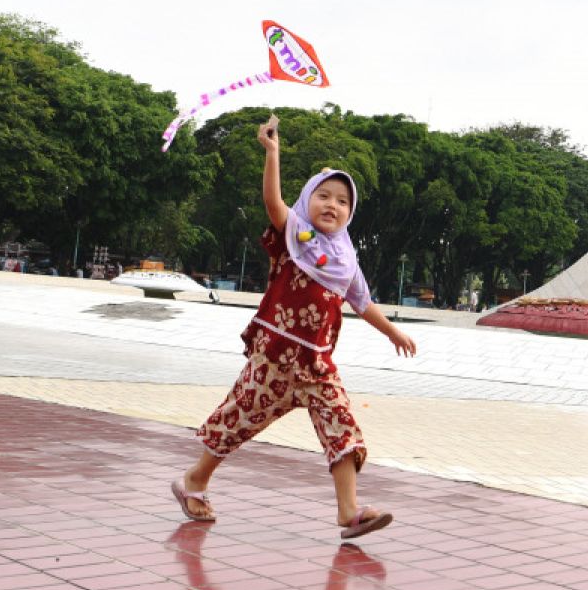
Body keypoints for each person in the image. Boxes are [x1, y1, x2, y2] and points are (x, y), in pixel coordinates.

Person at [172, 116, 417, 539]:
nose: (332, 205)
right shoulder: (295, 237)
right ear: (308, 200)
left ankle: (349, 511)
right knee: (238, 422)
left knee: (340, 423)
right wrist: (273, 153)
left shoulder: (346, 261)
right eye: (323, 196)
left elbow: (363, 302)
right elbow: (273, 204)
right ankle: (194, 480)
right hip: (273, 359)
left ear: (350, 213)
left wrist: (393, 332)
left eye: (342, 201)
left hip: (317, 364)